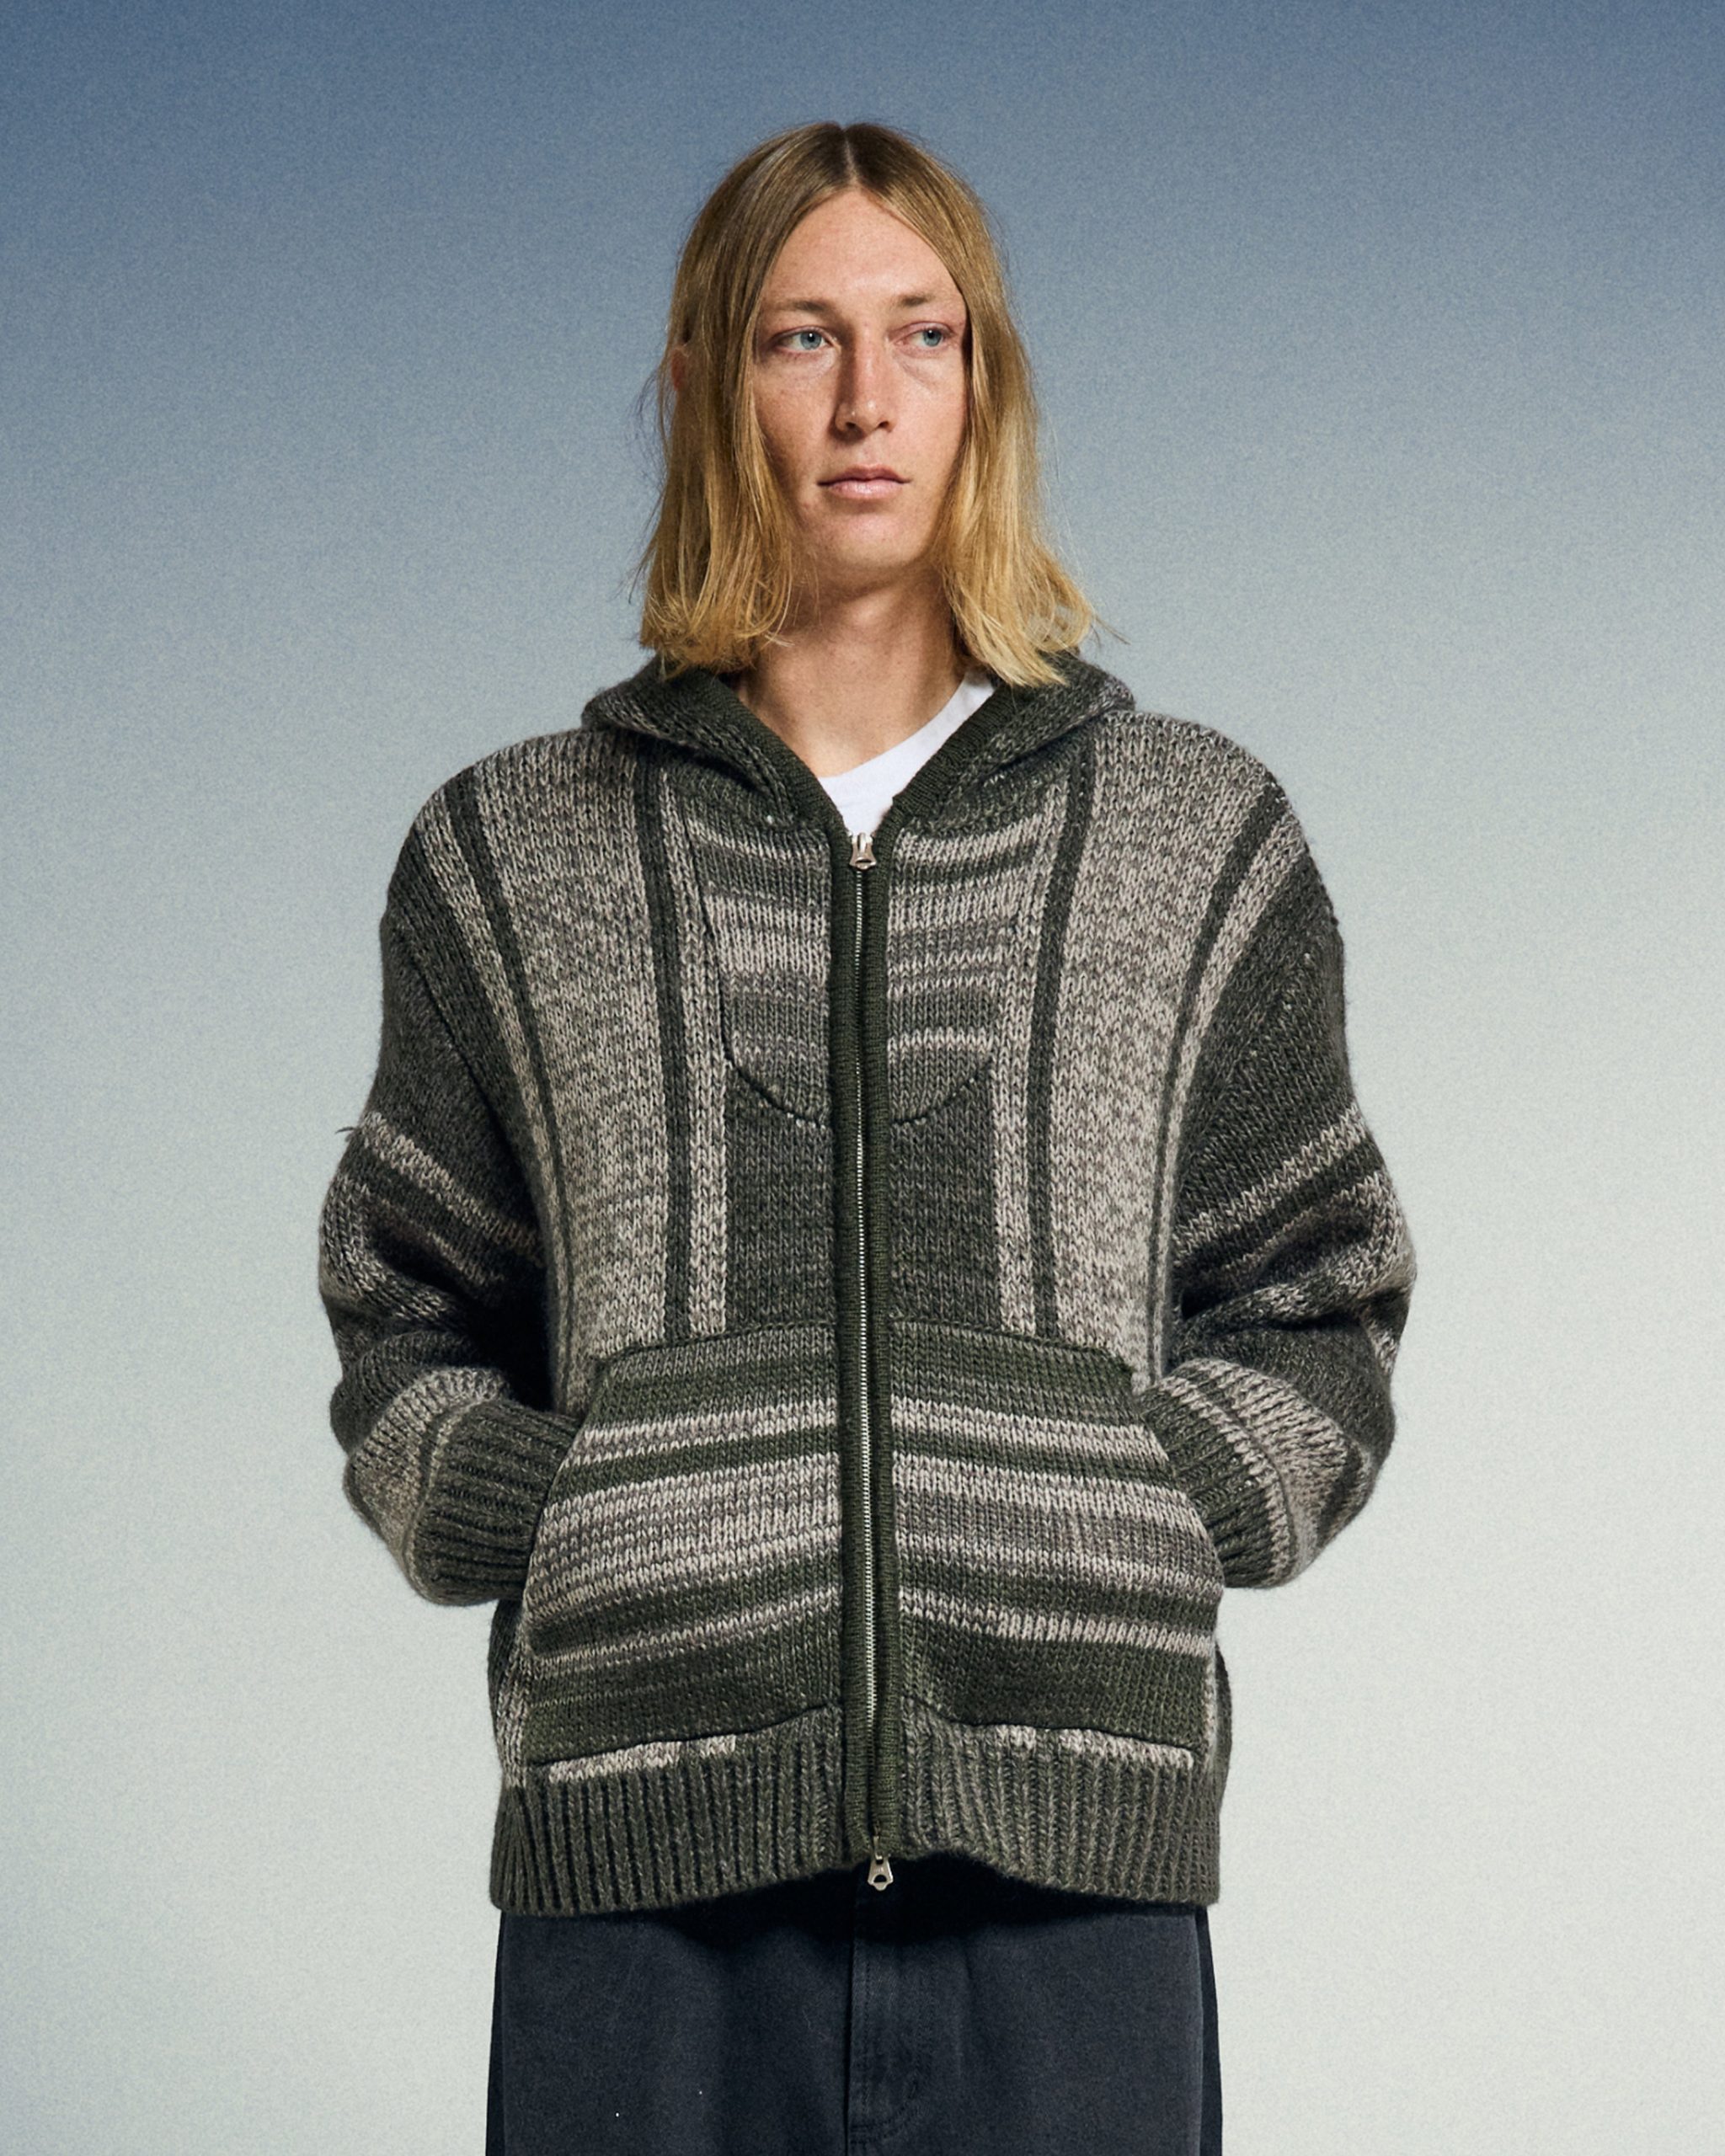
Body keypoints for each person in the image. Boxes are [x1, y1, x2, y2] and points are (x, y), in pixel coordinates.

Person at [317, 118, 1417, 2156]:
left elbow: (1319, 1292)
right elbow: (405, 1308)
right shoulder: (508, 851)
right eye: (799, 337)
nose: (863, 401)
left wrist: (1134, 1500)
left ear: (984, 382)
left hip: (1068, 1876)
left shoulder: (1190, 836)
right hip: (641, 1889)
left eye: (922, 334)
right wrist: (568, 1511)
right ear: (702, 384)